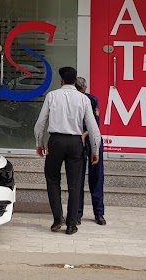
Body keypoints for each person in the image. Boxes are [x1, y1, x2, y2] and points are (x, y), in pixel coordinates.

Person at [34, 66, 101, 235]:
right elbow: (93, 128)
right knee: (75, 183)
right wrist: (95, 150)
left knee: (52, 179)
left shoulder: (52, 96)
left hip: (56, 141)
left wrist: (39, 143)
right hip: (75, 142)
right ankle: (71, 224)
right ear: (75, 80)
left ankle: (58, 219)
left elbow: (40, 123)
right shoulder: (83, 99)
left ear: (62, 80)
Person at [75, 77, 106, 226]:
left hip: (92, 139)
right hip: (77, 141)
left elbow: (96, 124)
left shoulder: (92, 100)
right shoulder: (72, 101)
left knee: (97, 177)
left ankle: (99, 213)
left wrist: (86, 133)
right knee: (78, 178)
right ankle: (77, 214)